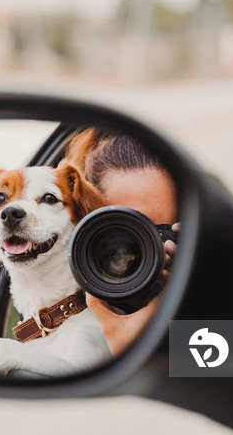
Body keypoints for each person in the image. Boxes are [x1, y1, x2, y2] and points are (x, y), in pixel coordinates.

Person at [64, 128, 179, 357]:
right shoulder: (73, 335)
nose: (159, 254)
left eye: (176, 234)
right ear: (86, 238)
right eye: (134, 236)